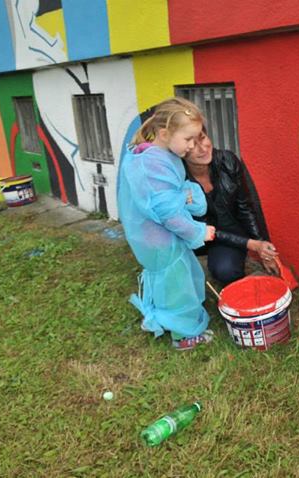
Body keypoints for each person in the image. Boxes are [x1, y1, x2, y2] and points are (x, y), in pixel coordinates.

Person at [117, 97, 217, 351]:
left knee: (175, 280)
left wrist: (186, 196)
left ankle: (172, 317)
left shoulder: (158, 155)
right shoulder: (152, 164)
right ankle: (183, 336)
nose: (192, 146)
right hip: (160, 239)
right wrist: (198, 231)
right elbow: (167, 213)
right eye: (188, 139)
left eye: (196, 138)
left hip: (157, 237)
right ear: (164, 133)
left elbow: (170, 195)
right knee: (177, 286)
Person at [183, 128, 279, 285]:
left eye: (203, 137)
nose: (203, 148)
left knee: (226, 269)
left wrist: (262, 246)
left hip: (230, 235)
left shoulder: (227, 161)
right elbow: (200, 227)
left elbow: (245, 206)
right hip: (195, 235)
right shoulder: (176, 177)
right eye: (193, 145)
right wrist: (252, 244)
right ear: (180, 150)